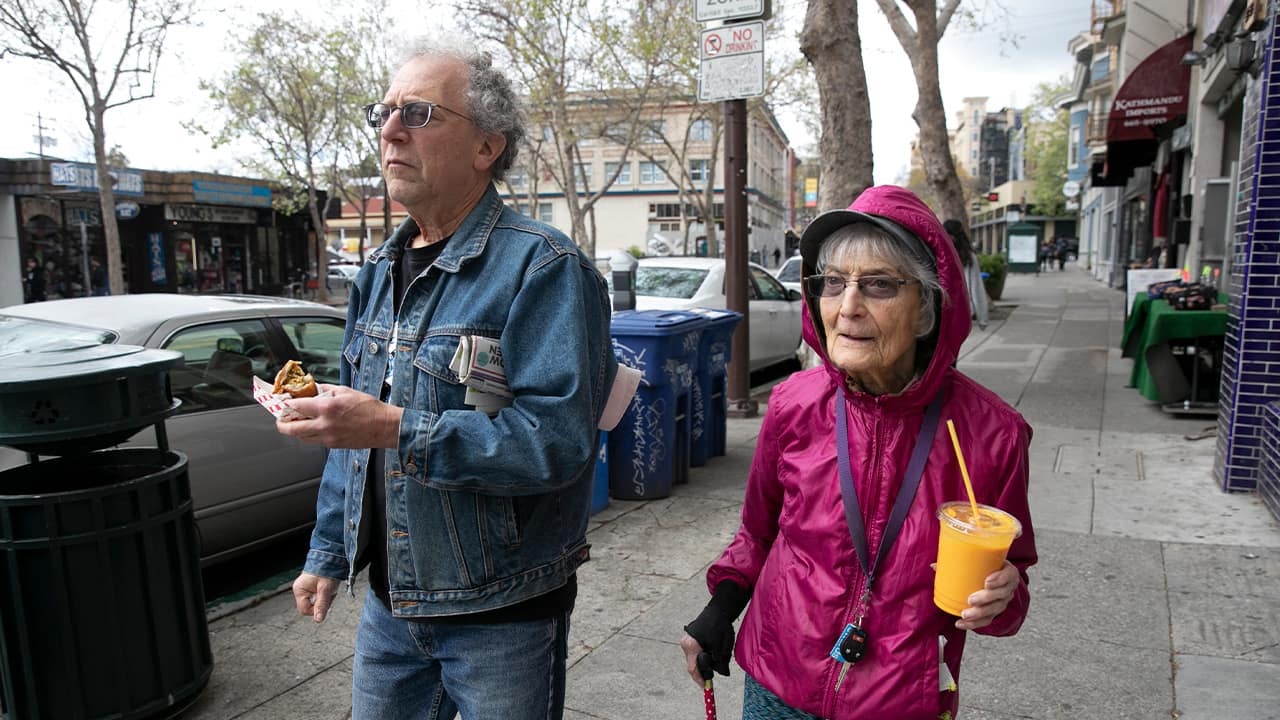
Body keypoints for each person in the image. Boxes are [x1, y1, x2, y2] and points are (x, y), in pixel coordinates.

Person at [276, 43, 618, 720]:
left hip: (503, 612)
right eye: (385, 111)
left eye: (419, 112)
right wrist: (327, 552)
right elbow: (353, 441)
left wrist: (396, 428)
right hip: (390, 604)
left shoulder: (544, 268)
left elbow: (555, 443)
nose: (390, 129)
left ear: (487, 147)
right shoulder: (377, 271)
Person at [679, 185, 1036, 720]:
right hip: (779, 680)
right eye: (833, 283)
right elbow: (758, 531)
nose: (848, 307)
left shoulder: (994, 434)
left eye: (879, 286)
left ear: (926, 311)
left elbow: (1012, 581)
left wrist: (1003, 598)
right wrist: (720, 608)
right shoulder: (792, 403)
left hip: (901, 698)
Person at [943, 219, 989, 330]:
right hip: (960, 310)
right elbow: (976, 286)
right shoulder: (968, 257)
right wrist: (982, 318)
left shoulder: (939, 253)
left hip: (943, 311)